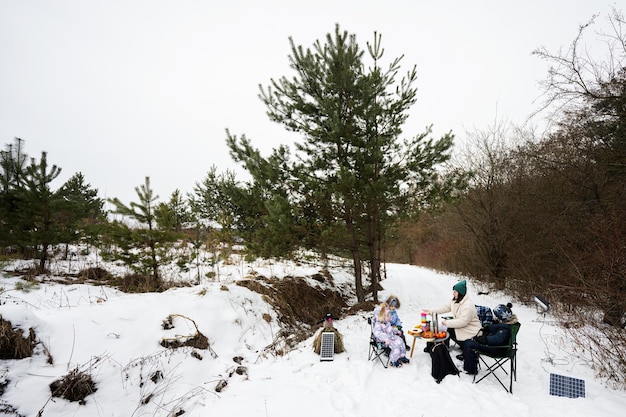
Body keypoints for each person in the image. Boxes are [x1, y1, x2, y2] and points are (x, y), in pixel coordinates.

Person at [423, 279, 481, 359]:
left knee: (448, 329)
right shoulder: (455, 301)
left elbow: (463, 322)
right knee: (445, 330)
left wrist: (447, 322)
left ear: (460, 293)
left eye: (455, 292)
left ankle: (465, 349)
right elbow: (444, 307)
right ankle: (443, 348)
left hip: (470, 329)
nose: (453, 293)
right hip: (462, 326)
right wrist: (431, 311)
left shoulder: (468, 306)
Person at [462, 303, 519, 375]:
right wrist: (487, 329)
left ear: (500, 317)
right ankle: (469, 361)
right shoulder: (505, 325)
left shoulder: (504, 328)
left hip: (496, 349)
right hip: (496, 347)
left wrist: (485, 339)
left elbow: (498, 339)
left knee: (469, 344)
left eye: (495, 315)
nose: (494, 317)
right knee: (470, 341)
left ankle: (470, 370)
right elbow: (495, 330)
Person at [372, 302, 409, 367]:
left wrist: (396, 331)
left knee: (401, 341)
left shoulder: (387, 323)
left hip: (391, 337)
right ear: (382, 316)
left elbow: (391, 329)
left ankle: (402, 356)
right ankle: (394, 361)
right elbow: (378, 333)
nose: (390, 318)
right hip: (383, 342)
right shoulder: (378, 325)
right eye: (388, 316)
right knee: (396, 346)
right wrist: (385, 338)